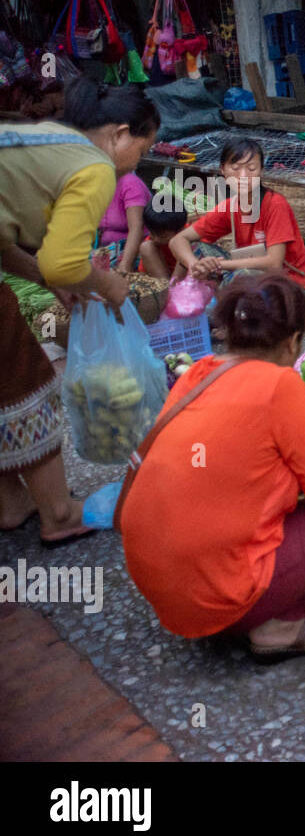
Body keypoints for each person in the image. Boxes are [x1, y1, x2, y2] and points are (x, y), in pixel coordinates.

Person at [117, 275, 305, 661]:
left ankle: (243, 604)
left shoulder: (196, 376)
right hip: (219, 596)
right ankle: (278, 625)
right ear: (292, 342)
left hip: (160, 587)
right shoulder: (281, 384)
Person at [0, 78, 159, 546]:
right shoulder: (95, 167)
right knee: (24, 381)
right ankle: (61, 515)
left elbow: (7, 247)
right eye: (143, 149)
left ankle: (11, 502)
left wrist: (52, 280)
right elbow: (63, 261)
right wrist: (108, 282)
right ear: (121, 134)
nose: (138, 162)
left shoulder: (54, 140)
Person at [166, 138, 305, 292]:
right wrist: (195, 265)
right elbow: (178, 240)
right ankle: (175, 298)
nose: (243, 175)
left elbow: (274, 263)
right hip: (251, 273)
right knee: (193, 248)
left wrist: (218, 264)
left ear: (261, 171)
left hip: (289, 286)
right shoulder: (230, 206)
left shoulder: (275, 204)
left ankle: (219, 310)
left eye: (251, 168)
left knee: (242, 276)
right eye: (235, 168)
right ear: (222, 170)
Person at [94, 171, 150, 272]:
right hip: (106, 250)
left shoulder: (130, 184)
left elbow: (137, 227)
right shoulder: (96, 183)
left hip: (132, 252)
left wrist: (125, 264)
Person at [137, 203, 187, 281]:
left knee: (186, 245)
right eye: (152, 233)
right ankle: (166, 289)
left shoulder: (188, 235)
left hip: (183, 280)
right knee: (146, 246)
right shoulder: (150, 244)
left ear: (180, 229)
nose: (156, 239)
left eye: (163, 236)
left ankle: (171, 289)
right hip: (160, 279)